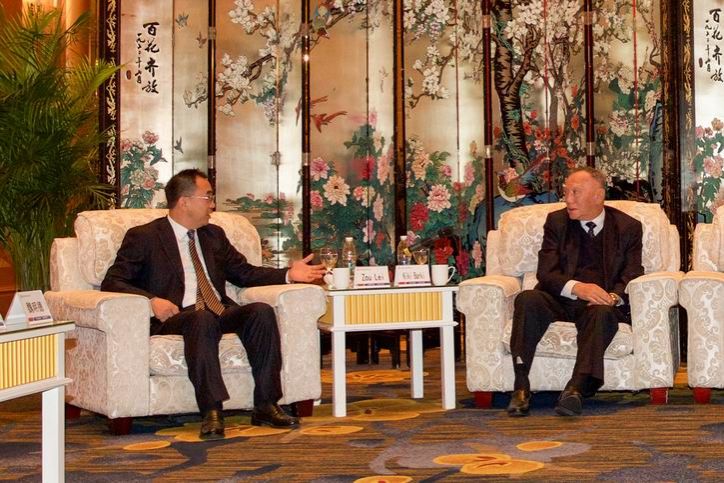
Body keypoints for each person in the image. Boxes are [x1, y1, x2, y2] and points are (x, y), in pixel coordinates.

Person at [101, 169, 326, 439]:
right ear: (185, 202)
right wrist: (152, 302)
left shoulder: (213, 235)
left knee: (261, 312)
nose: (213, 204)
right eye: (207, 197)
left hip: (219, 311)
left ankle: (266, 404)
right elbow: (113, 281)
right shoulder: (145, 236)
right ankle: (211, 410)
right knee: (201, 317)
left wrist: (289, 274)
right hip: (176, 317)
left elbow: (245, 273)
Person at [506, 167, 644, 417]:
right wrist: (578, 288)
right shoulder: (556, 222)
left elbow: (632, 273)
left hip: (598, 305)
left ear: (598, 196)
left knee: (602, 313)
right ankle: (521, 385)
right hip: (560, 298)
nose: (568, 199)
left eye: (575, 192)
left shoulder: (627, 227)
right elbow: (546, 273)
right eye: (566, 192)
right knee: (527, 299)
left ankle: (576, 388)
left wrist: (613, 297)